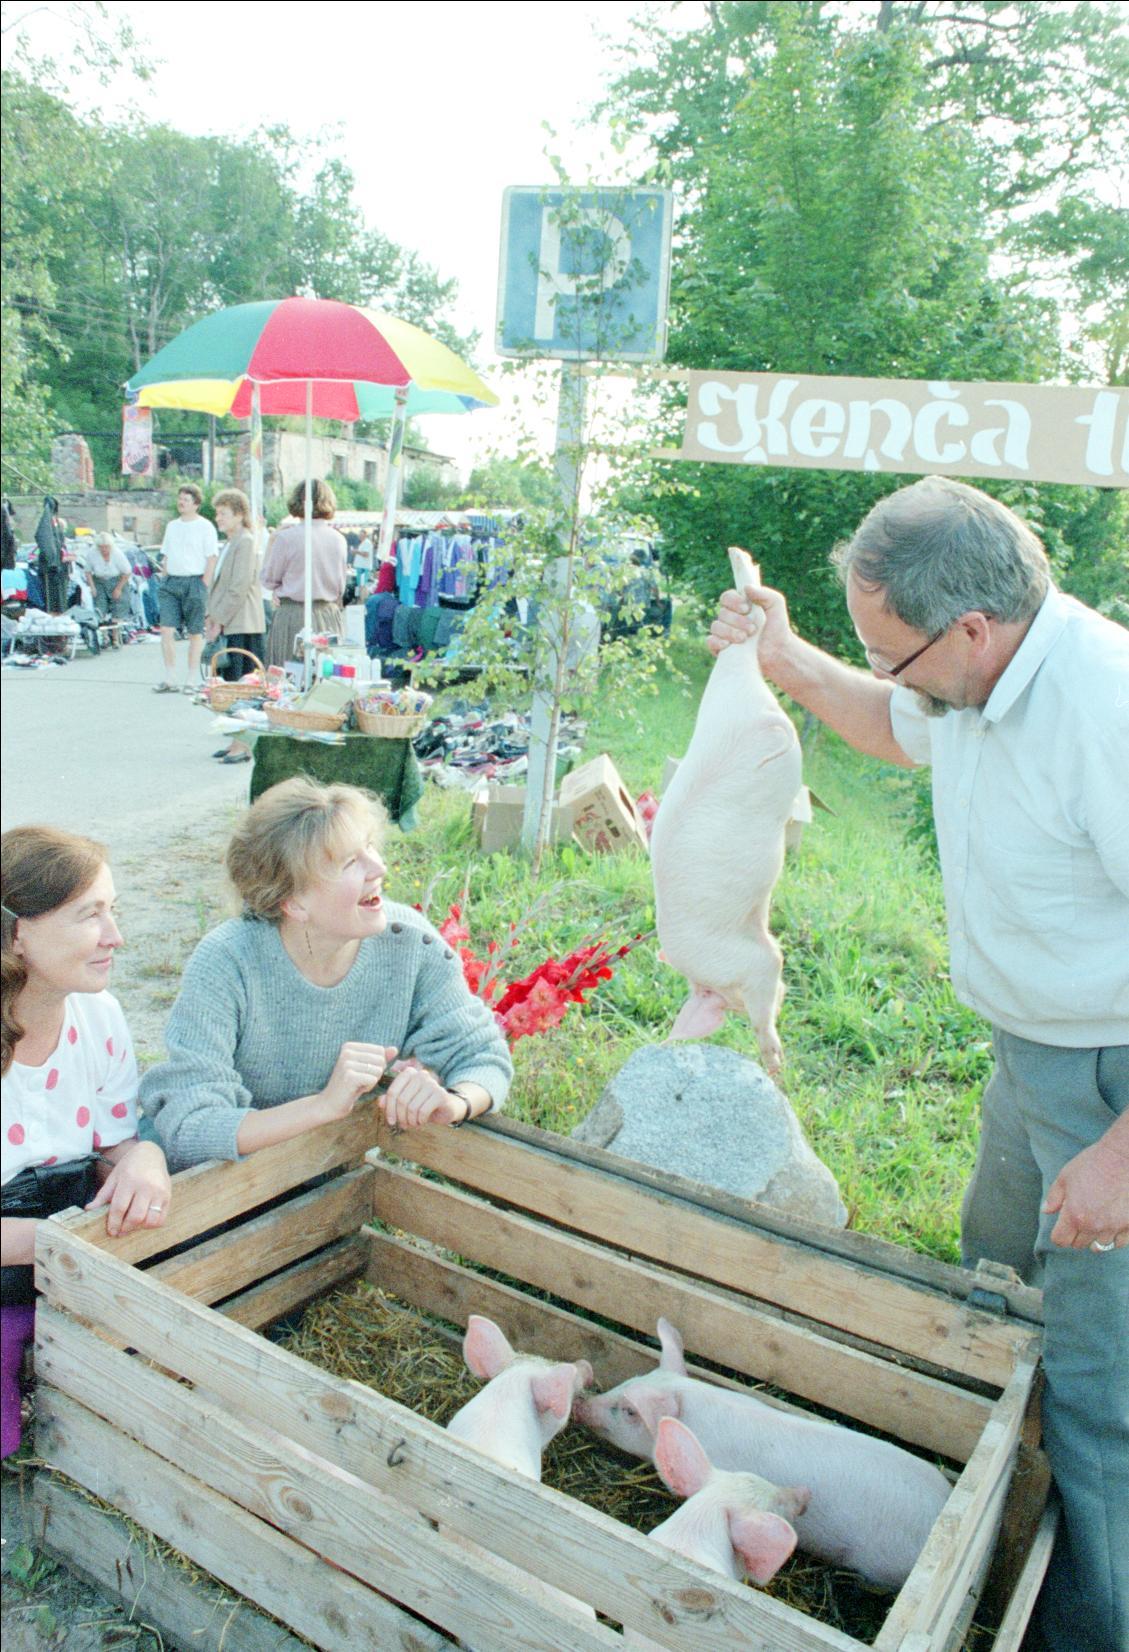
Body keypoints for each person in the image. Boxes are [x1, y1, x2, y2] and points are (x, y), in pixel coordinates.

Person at [710, 476, 1128, 1652]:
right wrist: (789, 661)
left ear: (972, 629)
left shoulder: (1104, 709)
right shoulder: (978, 678)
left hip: (1110, 1079)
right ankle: (990, 1538)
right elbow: (894, 724)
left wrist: (1120, 1153)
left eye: (888, 651)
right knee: (995, 1286)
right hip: (1030, 1054)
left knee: (1098, 1382)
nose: (883, 672)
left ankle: (1085, 1625)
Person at [140, 779, 513, 1171]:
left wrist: (454, 1102)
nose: (379, 868)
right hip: (207, 1182)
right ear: (293, 902)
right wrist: (321, 1107)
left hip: (320, 1173)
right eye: (350, 862)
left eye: (370, 846)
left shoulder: (409, 944)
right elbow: (192, 1129)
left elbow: (482, 1054)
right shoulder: (227, 961)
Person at [1, 826, 172, 1459]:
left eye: (112, 911)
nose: (115, 936)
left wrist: (145, 1158)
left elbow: (113, 1143)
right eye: (89, 915)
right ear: (17, 933)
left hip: (67, 1262)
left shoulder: (99, 1017)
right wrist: (60, 1243)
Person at [204, 488, 266, 766]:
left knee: (242, 688)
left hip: (242, 623)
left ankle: (244, 745)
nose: (218, 518)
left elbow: (238, 587)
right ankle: (236, 740)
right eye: (217, 513)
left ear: (239, 515)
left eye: (223, 513)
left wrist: (218, 619)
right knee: (231, 686)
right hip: (231, 622)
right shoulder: (232, 542)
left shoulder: (245, 542)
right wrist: (212, 616)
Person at [259, 480, 347, 669]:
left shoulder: (285, 538)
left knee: (288, 675)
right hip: (328, 616)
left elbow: (268, 580)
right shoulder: (339, 539)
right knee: (326, 677)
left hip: (293, 616)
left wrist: (271, 544)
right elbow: (341, 587)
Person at [154, 483, 218, 693]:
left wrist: (204, 583)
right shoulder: (172, 526)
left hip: (194, 582)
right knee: (166, 629)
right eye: (180, 498)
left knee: (194, 633)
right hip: (171, 582)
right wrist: (165, 577)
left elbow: (211, 558)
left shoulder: (205, 527)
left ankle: (191, 678)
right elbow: (166, 554)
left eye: (186, 499)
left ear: (196, 504)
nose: (181, 502)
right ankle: (170, 676)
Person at [84, 532, 132, 622]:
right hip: (99, 581)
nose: (104, 549)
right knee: (99, 607)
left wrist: (118, 589)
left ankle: (116, 629)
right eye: (101, 547)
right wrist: (92, 587)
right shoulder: (92, 553)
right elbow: (88, 571)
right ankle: (101, 628)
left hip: (117, 581)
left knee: (119, 606)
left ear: (110, 546)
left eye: (106, 547)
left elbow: (127, 572)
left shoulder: (117, 553)